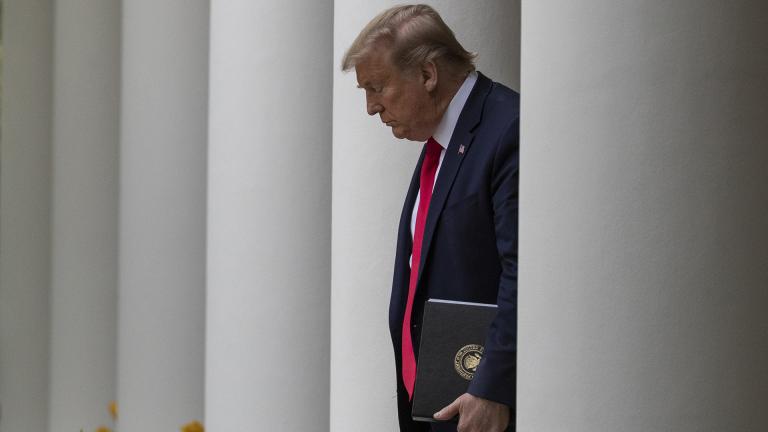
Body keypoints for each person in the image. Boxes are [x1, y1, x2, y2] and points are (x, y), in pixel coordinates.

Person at [341, 5, 518, 432]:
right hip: (434, 404)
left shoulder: (508, 128)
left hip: (480, 409)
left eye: (377, 87)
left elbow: (524, 272)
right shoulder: (440, 143)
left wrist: (492, 387)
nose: (371, 107)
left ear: (427, 74)